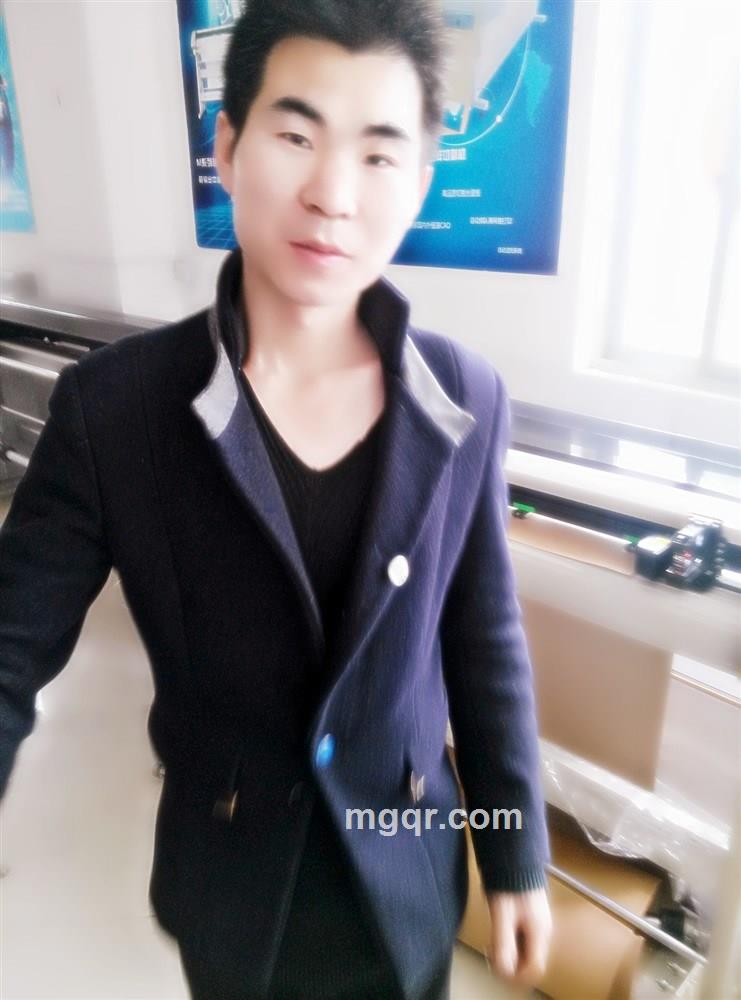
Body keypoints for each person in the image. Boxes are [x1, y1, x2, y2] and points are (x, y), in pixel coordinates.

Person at [0, 1, 553, 997]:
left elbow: (485, 640)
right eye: (296, 136)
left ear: (421, 180)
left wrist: (514, 855)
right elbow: (7, 646)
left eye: (378, 154)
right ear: (227, 147)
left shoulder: (466, 396)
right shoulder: (115, 409)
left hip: (406, 884)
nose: (332, 195)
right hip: (232, 883)